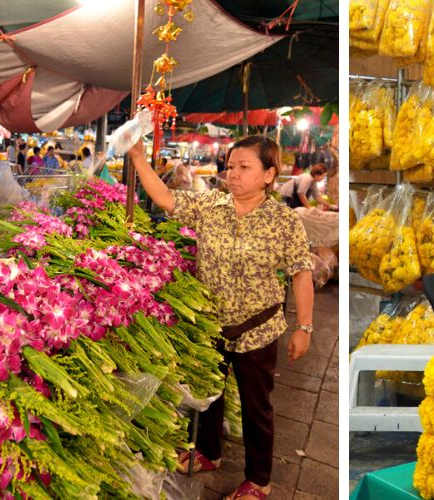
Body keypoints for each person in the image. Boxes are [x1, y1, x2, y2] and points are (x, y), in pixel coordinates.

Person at [127, 136, 313, 500]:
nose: (234, 174)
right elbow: (165, 198)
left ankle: (259, 480)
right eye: (230, 166)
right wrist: (137, 158)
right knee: (209, 394)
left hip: (257, 329)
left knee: (256, 406)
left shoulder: (283, 220)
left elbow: (301, 272)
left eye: (245, 167)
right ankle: (208, 452)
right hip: (212, 324)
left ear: (268, 175)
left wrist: (304, 328)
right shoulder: (211, 204)